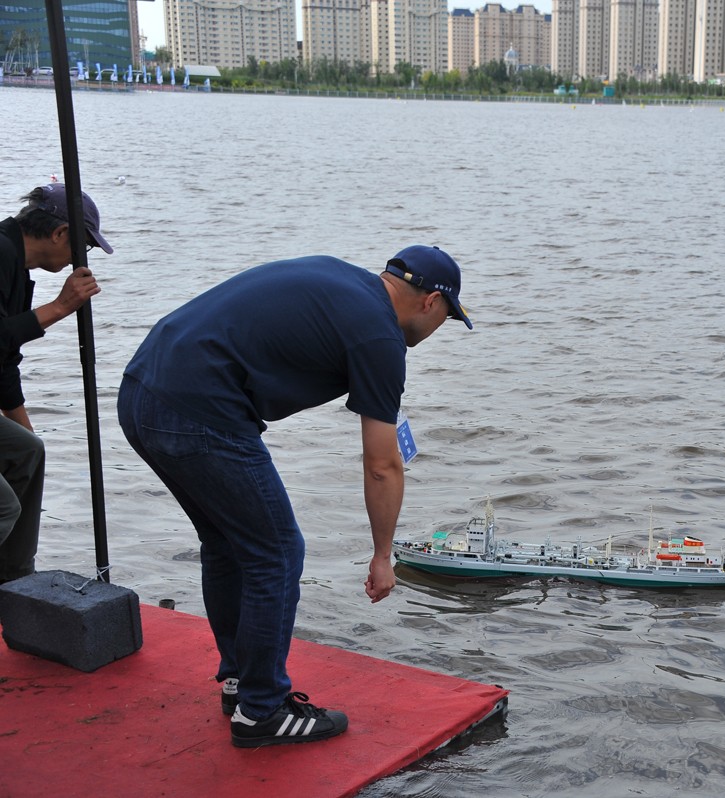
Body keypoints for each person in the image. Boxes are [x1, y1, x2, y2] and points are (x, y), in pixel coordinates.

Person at [117, 245, 472, 748]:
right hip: (197, 409)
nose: (438, 331)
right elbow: (382, 464)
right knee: (278, 552)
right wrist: (382, 556)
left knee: (228, 544)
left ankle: (243, 683)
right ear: (432, 302)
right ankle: (263, 712)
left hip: (140, 391)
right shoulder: (380, 336)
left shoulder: (339, 276)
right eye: (448, 319)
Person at [0, 184, 110, 583]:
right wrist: (61, 307)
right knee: (3, 507)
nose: (79, 260)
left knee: (28, 449)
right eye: (84, 248)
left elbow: (3, 362)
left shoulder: (14, 264)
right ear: (61, 233)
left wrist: (20, 423)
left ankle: (14, 583)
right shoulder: (0, 252)